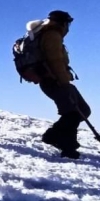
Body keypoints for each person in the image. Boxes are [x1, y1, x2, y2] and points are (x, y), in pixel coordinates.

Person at [33, 11, 91, 159]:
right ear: (63, 23)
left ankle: (55, 136)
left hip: (56, 80)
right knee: (73, 112)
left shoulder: (49, 34)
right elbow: (56, 61)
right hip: (55, 80)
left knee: (82, 110)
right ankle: (66, 145)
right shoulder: (52, 35)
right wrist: (64, 81)